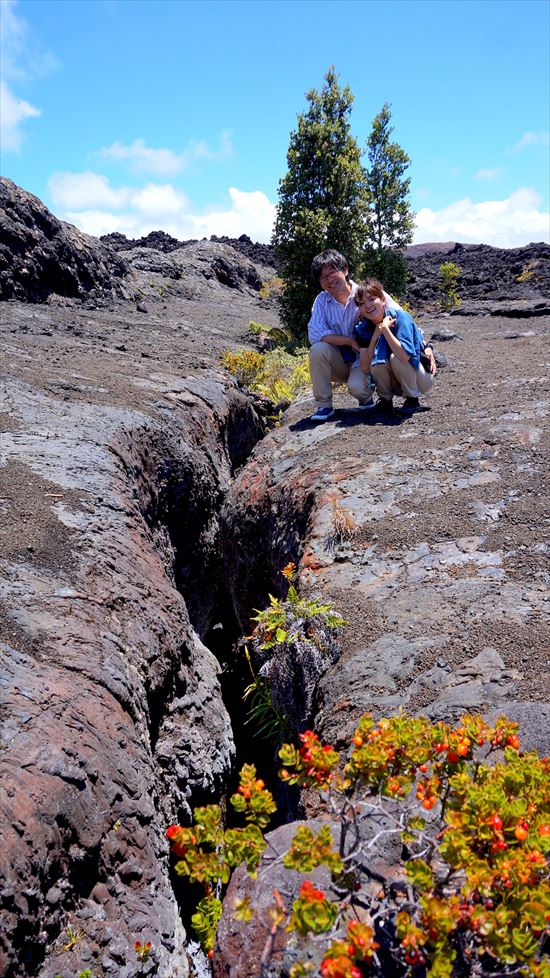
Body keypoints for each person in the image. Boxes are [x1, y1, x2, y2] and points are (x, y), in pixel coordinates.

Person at [307, 250, 401, 422]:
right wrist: (349, 341)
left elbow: (399, 315)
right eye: (323, 277)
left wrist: (426, 346)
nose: (329, 280)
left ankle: (366, 398)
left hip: (365, 359)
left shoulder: (365, 293)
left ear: (345, 270)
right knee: (317, 349)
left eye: (332, 273)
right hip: (339, 361)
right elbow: (315, 333)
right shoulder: (322, 300)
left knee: (358, 388)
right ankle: (324, 405)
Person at [354, 278, 436, 415]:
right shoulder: (363, 329)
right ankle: (385, 400)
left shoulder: (401, 318)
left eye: (372, 299)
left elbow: (404, 357)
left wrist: (385, 330)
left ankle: (412, 399)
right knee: (377, 362)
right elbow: (365, 367)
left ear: (383, 300)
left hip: (419, 378)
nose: (367, 306)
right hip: (395, 381)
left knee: (396, 357)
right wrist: (375, 335)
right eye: (362, 303)